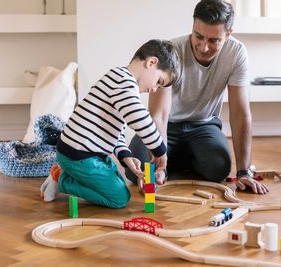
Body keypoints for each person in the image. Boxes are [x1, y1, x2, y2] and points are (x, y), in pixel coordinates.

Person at [126, 0, 268, 194]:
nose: (203, 47)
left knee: (218, 168)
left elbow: (240, 114)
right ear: (192, 27)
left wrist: (244, 172)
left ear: (228, 34)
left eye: (213, 41)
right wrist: (159, 164)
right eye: (198, 36)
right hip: (168, 125)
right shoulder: (172, 50)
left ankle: (178, 159)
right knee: (137, 170)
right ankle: (170, 161)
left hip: (204, 126)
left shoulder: (236, 53)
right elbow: (158, 115)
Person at [40, 39, 180, 208]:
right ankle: (63, 180)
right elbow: (140, 120)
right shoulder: (125, 83)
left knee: (117, 180)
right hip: (78, 155)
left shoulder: (117, 78)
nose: (155, 89)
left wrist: (125, 155)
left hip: (84, 153)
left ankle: (67, 171)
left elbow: (113, 130)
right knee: (119, 198)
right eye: (159, 81)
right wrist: (160, 152)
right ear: (151, 63)